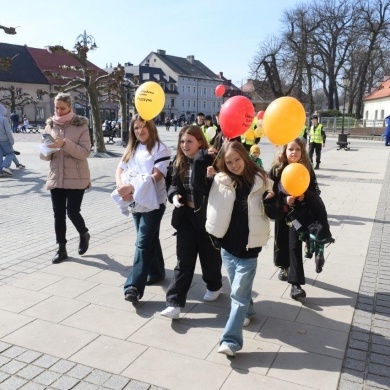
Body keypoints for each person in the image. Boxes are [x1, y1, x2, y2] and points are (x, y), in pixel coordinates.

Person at [193, 141, 274, 357]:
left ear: (245, 157)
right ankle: (248, 309)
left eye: (237, 159)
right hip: (227, 247)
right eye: (229, 162)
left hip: (249, 250)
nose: (234, 164)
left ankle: (230, 341)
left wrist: (273, 202)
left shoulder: (262, 181)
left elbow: (275, 213)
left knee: (238, 293)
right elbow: (198, 187)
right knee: (240, 291)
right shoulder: (220, 180)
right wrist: (201, 158)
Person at [160, 125, 223, 319]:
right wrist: (175, 196)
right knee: (183, 261)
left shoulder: (210, 160)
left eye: (189, 141)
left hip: (207, 217)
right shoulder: (178, 162)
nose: (185, 145)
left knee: (209, 257)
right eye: (182, 141)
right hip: (186, 216)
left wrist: (214, 175)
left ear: (200, 142)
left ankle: (214, 285)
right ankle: (174, 303)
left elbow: (221, 186)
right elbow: (171, 185)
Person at [116, 114, 171, 303]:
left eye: (143, 126)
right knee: (148, 238)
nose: (139, 130)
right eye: (136, 127)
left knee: (142, 242)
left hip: (154, 202)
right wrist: (120, 187)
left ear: (151, 127)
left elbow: (157, 176)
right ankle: (156, 271)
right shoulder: (132, 147)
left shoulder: (160, 148)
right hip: (134, 201)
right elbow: (120, 169)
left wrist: (130, 187)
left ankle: (133, 287)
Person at [269, 138, 333, 298]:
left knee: (294, 246)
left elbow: (315, 191)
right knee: (281, 243)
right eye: (291, 149)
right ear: (284, 151)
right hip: (282, 213)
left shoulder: (307, 169)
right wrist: (284, 199)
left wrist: (305, 196)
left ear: (302, 151)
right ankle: (284, 267)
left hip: (299, 215)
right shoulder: (276, 169)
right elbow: (268, 193)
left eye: (298, 149)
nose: (294, 152)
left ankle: (295, 285)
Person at [40, 93, 91, 264]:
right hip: (56, 175)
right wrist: (46, 150)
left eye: (62, 108)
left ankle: (84, 233)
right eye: (56, 107)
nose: (59, 111)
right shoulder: (49, 125)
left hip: (77, 176)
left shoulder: (81, 125)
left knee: (72, 211)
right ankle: (61, 248)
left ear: (70, 107)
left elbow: (85, 152)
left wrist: (64, 144)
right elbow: (45, 155)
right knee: (58, 214)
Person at [0, 104, 15, 176]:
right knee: (10, 153)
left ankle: (0, 170)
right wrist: (12, 141)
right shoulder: (4, 119)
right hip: (4, 140)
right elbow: (8, 132)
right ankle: (5, 166)